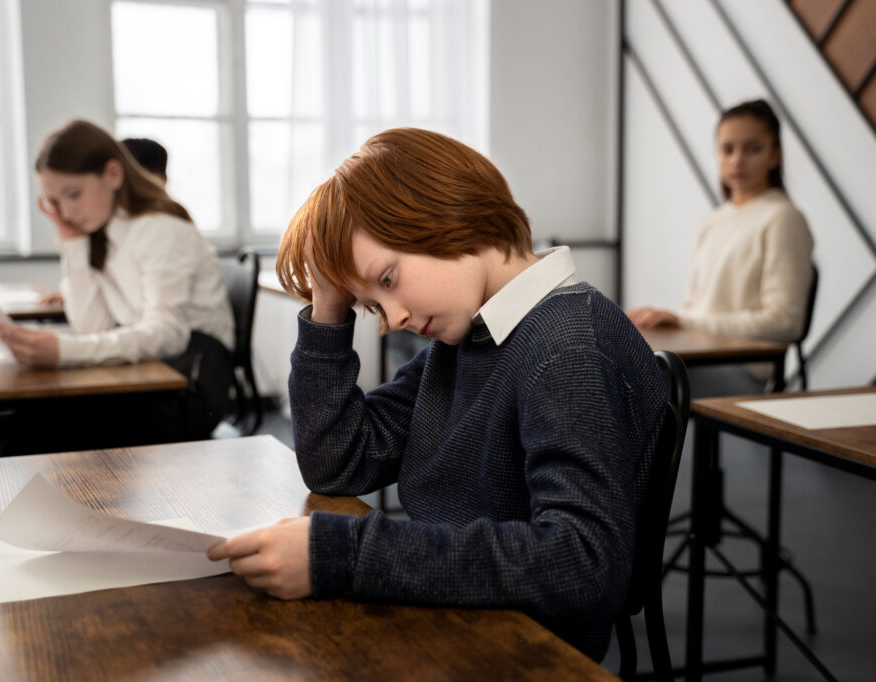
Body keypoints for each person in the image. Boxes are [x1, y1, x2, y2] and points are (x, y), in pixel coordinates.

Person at [205, 128, 667, 662]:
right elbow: (338, 461)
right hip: (454, 617)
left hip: (516, 651)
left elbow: (584, 564)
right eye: (372, 305)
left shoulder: (564, 345)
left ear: (448, 214)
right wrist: (330, 306)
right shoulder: (474, 336)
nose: (394, 316)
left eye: (389, 278)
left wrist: (344, 555)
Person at [0, 119, 235, 457]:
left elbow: (168, 334)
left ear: (113, 175)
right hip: (146, 374)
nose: (67, 211)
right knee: (9, 429)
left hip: (189, 387)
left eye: (73, 195)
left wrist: (63, 351)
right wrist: (70, 239)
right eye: (55, 202)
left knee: (20, 439)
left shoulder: (161, 230)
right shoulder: (101, 232)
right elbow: (93, 327)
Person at [627, 99, 814, 395]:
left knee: (639, 376)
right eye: (728, 149)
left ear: (775, 155)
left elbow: (784, 322)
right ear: (717, 154)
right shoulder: (711, 222)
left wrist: (683, 321)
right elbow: (697, 311)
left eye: (753, 149)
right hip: (699, 356)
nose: (738, 160)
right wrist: (672, 324)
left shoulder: (783, 218)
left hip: (742, 369)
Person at [39, 136, 170, 308]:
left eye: (74, 194)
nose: (68, 211)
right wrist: (68, 293)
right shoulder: (107, 228)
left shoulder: (164, 228)